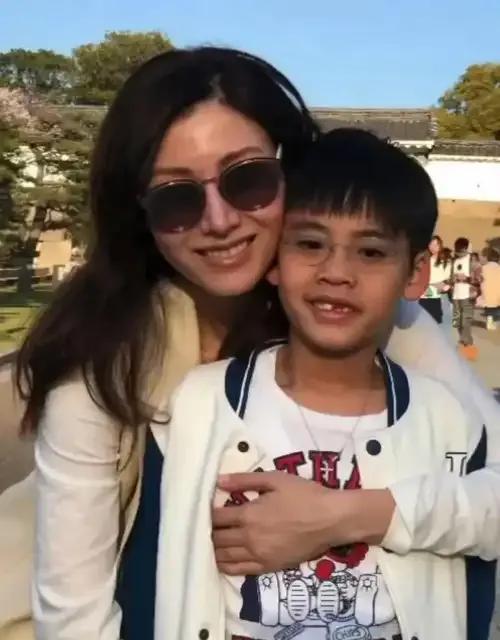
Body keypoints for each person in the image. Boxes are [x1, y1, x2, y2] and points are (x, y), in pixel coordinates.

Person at [1, 47, 499, 640]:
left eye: (248, 179)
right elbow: (74, 618)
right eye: (177, 197)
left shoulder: (379, 323)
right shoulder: (106, 361)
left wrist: (344, 515)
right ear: (141, 215)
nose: (219, 221)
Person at [155, 130, 499, 640]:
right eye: (311, 244)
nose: (336, 273)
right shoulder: (201, 404)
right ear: (274, 258)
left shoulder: (446, 420)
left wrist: (347, 516)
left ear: (416, 273)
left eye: (371, 252)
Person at [451, 237, 481, 359]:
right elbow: (450, 278)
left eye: (461, 249)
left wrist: (467, 279)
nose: (459, 252)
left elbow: (480, 279)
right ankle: (463, 341)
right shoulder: (455, 261)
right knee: (457, 321)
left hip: (467, 295)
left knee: (465, 321)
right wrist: (453, 279)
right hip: (456, 295)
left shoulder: (472, 261)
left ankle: (469, 346)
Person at [419, 234, 451, 323]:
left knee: (436, 322)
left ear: (440, 246)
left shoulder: (446, 261)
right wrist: (433, 284)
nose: (433, 247)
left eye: (436, 245)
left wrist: (444, 286)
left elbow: (448, 280)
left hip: (439, 296)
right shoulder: (424, 260)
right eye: (431, 244)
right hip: (424, 295)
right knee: (424, 322)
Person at [481, 247, 500, 330]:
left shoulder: (484, 267)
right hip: (497, 290)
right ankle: (490, 322)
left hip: (487, 290)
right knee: (495, 307)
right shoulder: (499, 268)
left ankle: (489, 322)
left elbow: (481, 279)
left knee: (489, 307)